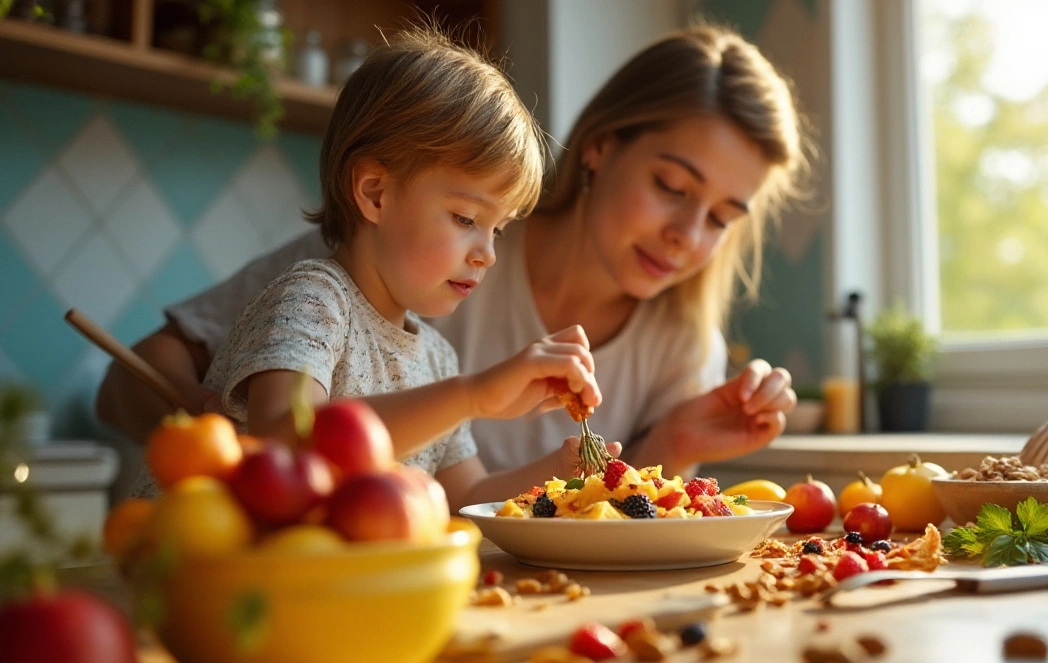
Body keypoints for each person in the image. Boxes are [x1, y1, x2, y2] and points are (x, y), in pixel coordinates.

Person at [99, 23, 809, 486]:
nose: (689, 234)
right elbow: (269, 432)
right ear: (601, 147)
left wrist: (649, 451)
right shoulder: (359, 268)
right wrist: (201, 425)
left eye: (722, 217)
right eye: (670, 185)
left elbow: (476, 506)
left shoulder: (437, 332)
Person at [131, 26, 608, 510]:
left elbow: (466, 497)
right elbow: (284, 441)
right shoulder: (312, 300)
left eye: (498, 229)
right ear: (375, 193)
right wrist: (473, 396)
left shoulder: (437, 358)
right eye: (466, 219)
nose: (488, 254)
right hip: (201, 564)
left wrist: (560, 473)